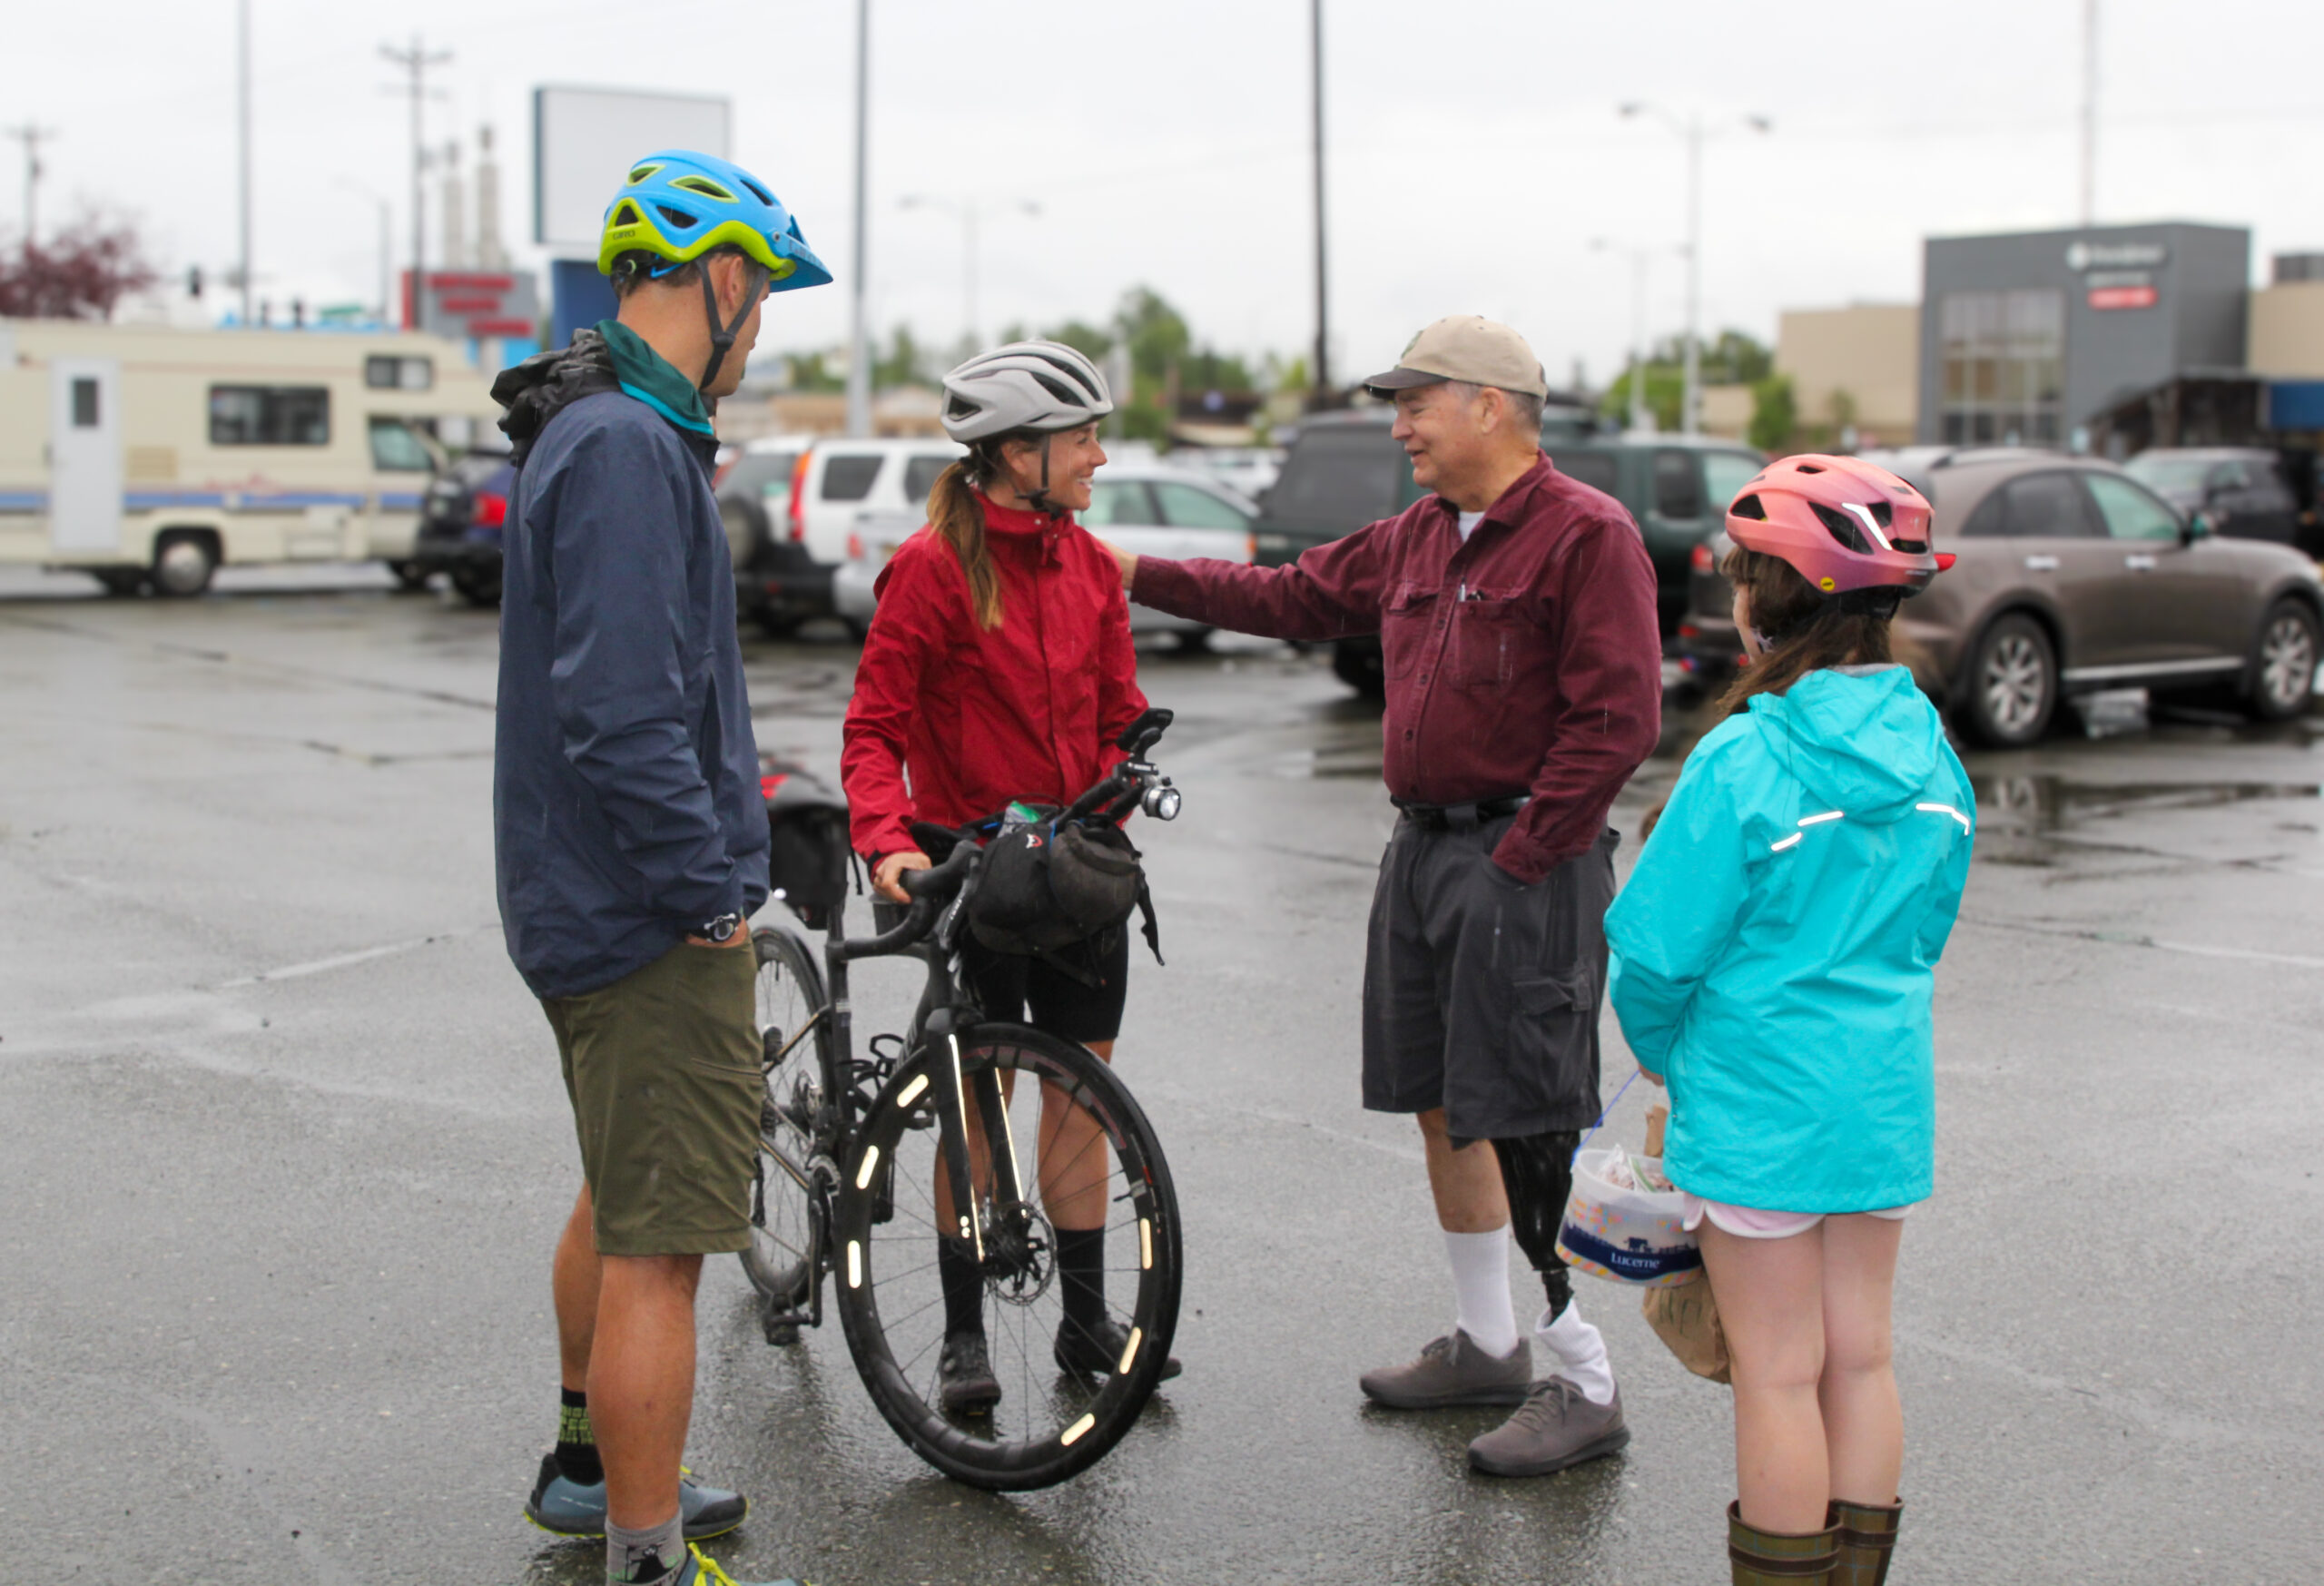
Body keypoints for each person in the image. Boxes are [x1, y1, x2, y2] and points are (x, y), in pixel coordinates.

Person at [1106, 317, 1661, 1476]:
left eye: (1417, 403)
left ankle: (1586, 1382)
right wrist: (1131, 573)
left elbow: (1616, 722)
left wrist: (1524, 864)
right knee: (1441, 1103)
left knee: (1523, 1113)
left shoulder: (1585, 535)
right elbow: (1289, 595)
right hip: (1422, 851)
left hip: (1525, 860)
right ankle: (1489, 1344)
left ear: (1491, 407)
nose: (1398, 425)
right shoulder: (1416, 535)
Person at [492, 149, 829, 1586]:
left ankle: (587, 1466)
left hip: (582, 895)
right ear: (724, 277)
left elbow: (634, 694)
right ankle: (646, 1553)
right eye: (766, 298)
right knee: (667, 1245)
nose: (765, 332)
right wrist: (712, 888)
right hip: (641, 915)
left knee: (618, 1191)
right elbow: (624, 715)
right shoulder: (630, 446)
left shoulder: (603, 430)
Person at [1604, 455, 1971, 1585]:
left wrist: (1674, 1058)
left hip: (1759, 1107)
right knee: (1859, 1361)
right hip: (1881, 1102)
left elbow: (1651, 956)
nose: (1733, 597)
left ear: (1771, 598)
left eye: (1740, 576)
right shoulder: (1932, 748)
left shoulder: (1741, 757)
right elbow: (1925, 929)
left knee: (1774, 1373)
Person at [841, 340, 1183, 1414]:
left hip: (1074, 871)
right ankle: (958, 1334)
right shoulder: (933, 566)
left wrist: (1125, 772)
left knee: (1077, 1099)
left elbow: (1115, 705)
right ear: (1018, 451)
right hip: (967, 868)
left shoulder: (1087, 565)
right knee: (973, 1105)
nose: (1099, 456)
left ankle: (1083, 1324)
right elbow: (874, 726)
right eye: (1083, 438)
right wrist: (888, 841)